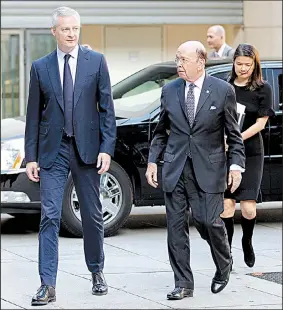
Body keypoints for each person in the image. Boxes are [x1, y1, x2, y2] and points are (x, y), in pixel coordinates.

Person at [24, 6, 116, 306]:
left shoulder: (96, 62)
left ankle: (97, 271)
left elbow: (107, 111)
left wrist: (106, 149)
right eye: (65, 29)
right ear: (54, 31)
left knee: (91, 215)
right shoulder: (40, 67)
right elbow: (33, 116)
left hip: (88, 150)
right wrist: (32, 157)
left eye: (75, 28)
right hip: (53, 151)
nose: (71, 34)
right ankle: (47, 285)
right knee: (49, 216)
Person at [145, 41, 245, 300]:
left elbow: (234, 135)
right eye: (177, 59)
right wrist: (153, 161)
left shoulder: (223, 91)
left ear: (200, 62)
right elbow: (160, 132)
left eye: (183, 59)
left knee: (208, 222)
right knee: (176, 228)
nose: (178, 64)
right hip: (176, 168)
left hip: (209, 168)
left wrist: (236, 166)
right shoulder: (170, 91)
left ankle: (224, 264)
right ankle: (183, 284)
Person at [221, 43, 275, 268]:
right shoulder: (225, 86)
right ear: (233, 63)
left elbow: (261, 123)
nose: (243, 68)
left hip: (251, 150)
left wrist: (237, 137)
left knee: (248, 208)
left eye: (248, 65)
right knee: (226, 206)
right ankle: (227, 253)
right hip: (225, 150)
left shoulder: (263, 88)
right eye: (239, 64)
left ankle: (247, 241)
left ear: (255, 65)